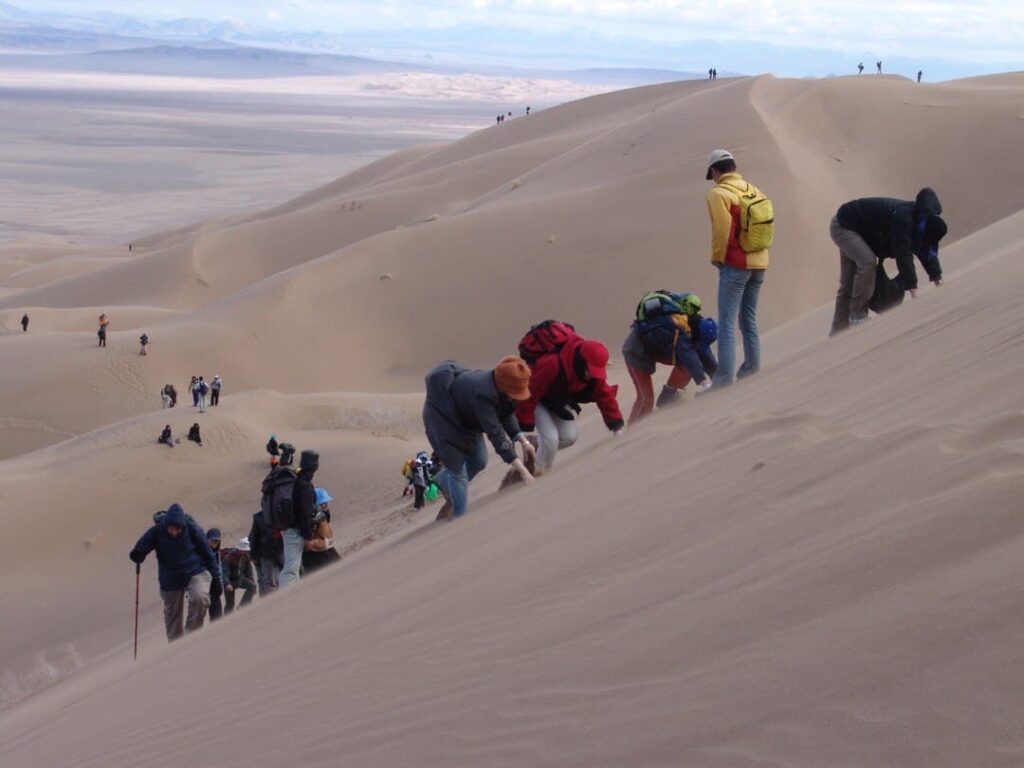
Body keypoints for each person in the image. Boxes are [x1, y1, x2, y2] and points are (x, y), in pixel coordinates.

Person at [422, 356, 536, 521]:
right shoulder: (483, 393)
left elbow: (506, 414)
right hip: (442, 421)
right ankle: (458, 521)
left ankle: (444, 480)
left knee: (480, 460)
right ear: (504, 387)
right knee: (458, 473)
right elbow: (495, 433)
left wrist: (523, 441)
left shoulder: (502, 389)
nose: (516, 396)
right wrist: (523, 472)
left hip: (465, 421)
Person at [829, 188, 947, 335]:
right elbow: (903, 255)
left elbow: (927, 253)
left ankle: (838, 332)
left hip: (856, 229)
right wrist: (913, 290)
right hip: (843, 226)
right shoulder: (905, 218)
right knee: (867, 262)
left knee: (848, 283)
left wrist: (938, 279)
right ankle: (857, 317)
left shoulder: (924, 223)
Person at [705, 149, 770, 387]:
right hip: (760, 261)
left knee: (728, 323)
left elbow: (722, 230)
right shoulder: (753, 189)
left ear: (715, 171)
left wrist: (717, 257)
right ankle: (752, 368)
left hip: (736, 263)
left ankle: (723, 379)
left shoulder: (719, 193)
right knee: (749, 319)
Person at [515, 332, 624, 474]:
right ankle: (535, 472)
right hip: (535, 399)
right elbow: (531, 392)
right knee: (550, 440)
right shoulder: (552, 364)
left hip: (558, 399)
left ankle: (535, 445)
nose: (593, 374)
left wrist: (617, 428)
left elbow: (605, 396)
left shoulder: (593, 376)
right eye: (591, 370)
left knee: (569, 437)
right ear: (582, 361)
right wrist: (524, 423)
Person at [622, 291, 718, 424]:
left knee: (690, 360)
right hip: (636, 352)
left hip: (659, 347)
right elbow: (688, 355)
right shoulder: (678, 329)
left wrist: (719, 378)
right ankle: (631, 433)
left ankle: (668, 397)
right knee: (646, 399)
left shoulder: (696, 326)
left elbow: (704, 353)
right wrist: (705, 383)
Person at [129, 504, 220, 642]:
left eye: (178, 529)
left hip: (195, 570)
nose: (174, 532)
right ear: (166, 525)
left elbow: (207, 552)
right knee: (173, 616)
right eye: (172, 528)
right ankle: (176, 646)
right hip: (170, 577)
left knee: (200, 598)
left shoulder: (191, 528)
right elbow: (142, 546)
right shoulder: (157, 530)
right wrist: (138, 554)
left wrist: (216, 577)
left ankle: (191, 637)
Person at [279, 449, 319, 588]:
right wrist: (308, 536)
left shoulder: (296, 479)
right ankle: (285, 600)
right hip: (295, 532)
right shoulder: (304, 485)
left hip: (290, 530)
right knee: (290, 570)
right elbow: (305, 513)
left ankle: (291, 597)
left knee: (294, 568)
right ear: (314, 467)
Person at [303, 488, 342, 575]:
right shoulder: (317, 517)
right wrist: (324, 543)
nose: (327, 506)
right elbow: (320, 537)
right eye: (324, 504)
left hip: (318, 552)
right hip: (318, 554)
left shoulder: (319, 516)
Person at [248, 507, 284, 596]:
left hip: (278, 550)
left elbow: (253, 537)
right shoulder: (259, 518)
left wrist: (253, 555)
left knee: (272, 581)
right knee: (270, 581)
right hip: (269, 552)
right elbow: (254, 537)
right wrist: (253, 556)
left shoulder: (260, 517)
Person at [221, 539, 257, 612]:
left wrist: (252, 581)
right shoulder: (228, 557)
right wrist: (227, 584)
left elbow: (249, 571)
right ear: (239, 549)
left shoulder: (246, 557)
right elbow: (224, 573)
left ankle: (242, 607)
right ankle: (227, 619)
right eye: (244, 550)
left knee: (253, 587)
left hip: (240, 579)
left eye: (247, 550)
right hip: (229, 582)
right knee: (230, 603)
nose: (246, 552)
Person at [206, 528, 225, 621]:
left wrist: (220, 584)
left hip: (215, 588)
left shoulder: (217, 552)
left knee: (217, 617)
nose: (215, 542)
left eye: (217, 541)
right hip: (205, 587)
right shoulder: (202, 551)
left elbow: (219, 569)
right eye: (213, 540)